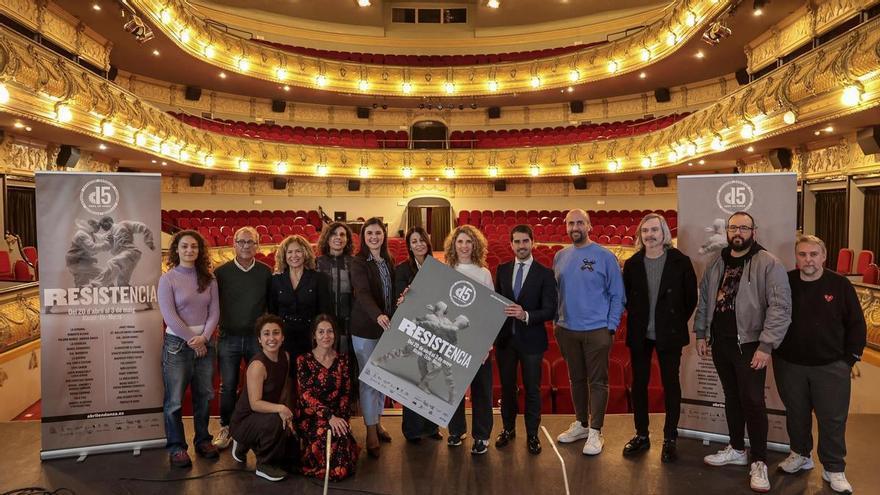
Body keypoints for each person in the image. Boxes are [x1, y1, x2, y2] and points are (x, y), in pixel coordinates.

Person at [695, 211, 791, 493]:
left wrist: (766, 345)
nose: (738, 232)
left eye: (744, 228)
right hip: (720, 342)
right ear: (727, 231)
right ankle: (737, 449)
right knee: (732, 397)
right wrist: (701, 333)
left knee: (753, 401)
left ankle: (759, 461)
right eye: (733, 228)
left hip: (750, 345)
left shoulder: (768, 263)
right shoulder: (717, 262)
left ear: (753, 232)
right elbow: (705, 300)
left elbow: (780, 307)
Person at [773, 235, 865, 494]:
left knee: (832, 419)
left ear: (823, 256)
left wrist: (849, 360)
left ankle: (834, 467)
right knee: (796, 413)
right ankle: (800, 454)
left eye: (813, 254)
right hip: (790, 364)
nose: (808, 260)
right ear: (796, 257)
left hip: (831, 366)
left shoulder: (840, 284)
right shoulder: (786, 282)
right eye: (802, 254)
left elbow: (856, 324)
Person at [621, 213, 697, 462]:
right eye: (645, 231)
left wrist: (672, 320)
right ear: (640, 235)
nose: (649, 235)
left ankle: (670, 438)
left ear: (664, 233)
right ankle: (642, 435)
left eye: (654, 230)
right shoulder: (632, 264)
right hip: (640, 334)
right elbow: (628, 299)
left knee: (670, 385)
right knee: (639, 385)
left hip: (670, 333)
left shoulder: (680, 261)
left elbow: (690, 299)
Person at [553, 209, 625, 456]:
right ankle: (582, 424)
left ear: (589, 226)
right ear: (566, 227)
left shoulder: (605, 256)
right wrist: (556, 322)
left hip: (597, 330)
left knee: (598, 382)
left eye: (580, 223)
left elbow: (617, 295)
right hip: (567, 330)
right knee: (576, 379)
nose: (575, 227)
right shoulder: (560, 256)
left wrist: (611, 326)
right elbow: (556, 293)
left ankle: (596, 431)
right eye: (570, 223)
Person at [493, 225, 558, 455]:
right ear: (511, 244)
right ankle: (508, 429)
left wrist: (526, 315)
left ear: (532, 242)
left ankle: (532, 435)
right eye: (517, 242)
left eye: (525, 241)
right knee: (507, 388)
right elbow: (495, 304)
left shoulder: (545, 273)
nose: (521, 246)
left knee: (532, 390)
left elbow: (550, 310)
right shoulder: (502, 270)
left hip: (532, 341)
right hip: (505, 341)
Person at [158, 230, 220, 468]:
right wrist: (193, 340)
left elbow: (214, 312)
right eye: (184, 246)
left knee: (204, 396)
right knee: (174, 400)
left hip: (205, 344)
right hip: (177, 345)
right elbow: (169, 316)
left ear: (199, 250)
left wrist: (204, 338)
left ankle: (203, 440)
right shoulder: (168, 279)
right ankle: (176, 447)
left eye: (194, 246)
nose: (189, 250)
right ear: (176, 250)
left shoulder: (209, 279)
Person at [212, 226, 272, 450]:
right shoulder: (221, 273)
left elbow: (270, 306)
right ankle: (227, 427)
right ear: (234, 244)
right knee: (228, 386)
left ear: (257, 245)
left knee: (258, 385)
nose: (246, 246)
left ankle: (255, 428)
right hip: (229, 337)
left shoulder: (265, 272)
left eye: (251, 242)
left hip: (256, 340)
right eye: (242, 242)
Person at [445, 224, 495, 455]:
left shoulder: (484, 273)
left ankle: (482, 436)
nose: (464, 246)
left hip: (477, 340)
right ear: (453, 245)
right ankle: (456, 430)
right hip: (453, 339)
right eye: (460, 242)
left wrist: (486, 344)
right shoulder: (446, 270)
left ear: (475, 245)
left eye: (468, 242)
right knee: (453, 387)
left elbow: (490, 312)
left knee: (481, 390)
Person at [229, 314, 298, 482]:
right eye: (266, 334)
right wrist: (281, 409)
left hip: (266, 415)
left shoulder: (286, 357)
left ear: (283, 337)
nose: (271, 338)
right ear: (259, 339)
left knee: (292, 453)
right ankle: (263, 464)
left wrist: (288, 416)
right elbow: (255, 404)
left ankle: (244, 445)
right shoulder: (257, 366)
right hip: (245, 420)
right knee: (275, 421)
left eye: (276, 333)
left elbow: (283, 390)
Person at [349, 217, 396, 458]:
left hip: (386, 329)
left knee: (382, 380)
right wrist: (378, 315)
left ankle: (377, 422)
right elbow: (362, 293)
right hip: (365, 328)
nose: (374, 237)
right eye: (369, 233)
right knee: (369, 381)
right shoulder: (358, 262)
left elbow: (392, 293)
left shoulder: (388, 260)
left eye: (378, 233)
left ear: (384, 235)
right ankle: (370, 431)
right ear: (363, 237)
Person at [393, 227, 443, 443]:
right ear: (409, 246)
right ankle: (412, 430)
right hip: (413, 330)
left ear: (428, 242)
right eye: (414, 241)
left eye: (422, 240)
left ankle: (431, 428)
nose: (419, 244)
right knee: (413, 380)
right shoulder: (402, 269)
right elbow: (399, 300)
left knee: (432, 379)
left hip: (435, 331)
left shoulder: (439, 268)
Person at [297, 314, 360, 481]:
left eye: (330, 331)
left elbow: (345, 393)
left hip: (337, 416)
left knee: (340, 437)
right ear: (314, 335)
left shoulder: (342, 360)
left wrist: (342, 419)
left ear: (335, 334)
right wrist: (329, 417)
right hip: (312, 416)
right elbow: (306, 395)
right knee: (326, 435)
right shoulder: (304, 360)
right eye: (321, 332)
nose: (326, 336)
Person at [268, 234, 332, 368]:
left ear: (305, 253)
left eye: (298, 251)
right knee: (287, 375)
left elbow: (324, 312)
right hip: (284, 337)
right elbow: (272, 312)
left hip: (310, 336)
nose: (294, 255)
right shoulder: (276, 280)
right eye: (290, 252)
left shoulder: (319, 278)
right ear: (284, 256)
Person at [315, 222, 355, 352]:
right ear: (327, 238)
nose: (338, 237)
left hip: (349, 320)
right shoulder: (317, 263)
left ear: (347, 240)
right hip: (324, 319)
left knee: (347, 355)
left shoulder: (354, 263)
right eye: (334, 234)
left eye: (342, 234)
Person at [90, 216, 156, 287]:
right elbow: (100, 237)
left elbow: (142, 226)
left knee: (112, 263)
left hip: (130, 252)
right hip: (127, 258)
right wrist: (90, 232)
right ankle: (135, 293)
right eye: (101, 226)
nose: (102, 227)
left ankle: (95, 284)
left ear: (109, 221)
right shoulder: (109, 234)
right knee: (122, 284)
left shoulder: (123, 224)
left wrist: (149, 241)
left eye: (103, 224)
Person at [66, 218, 109, 288]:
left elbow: (101, 237)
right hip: (78, 263)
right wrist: (105, 246)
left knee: (81, 285)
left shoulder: (89, 232)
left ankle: (78, 292)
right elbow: (92, 248)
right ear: (91, 224)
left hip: (77, 263)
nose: (98, 228)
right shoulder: (81, 234)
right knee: (104, 275)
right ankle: (112, 292)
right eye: (97, 226)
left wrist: (111, 234)